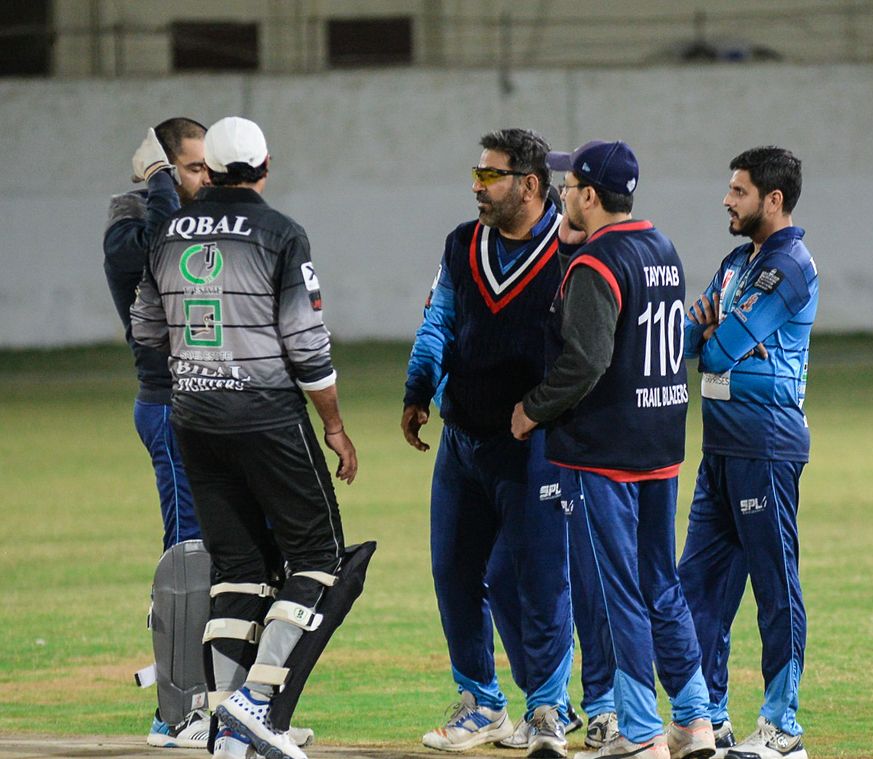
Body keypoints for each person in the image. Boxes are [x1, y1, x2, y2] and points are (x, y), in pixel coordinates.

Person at [131, 116, 363, 759]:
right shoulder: (280, 233)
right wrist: (335, 425)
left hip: (193, 419)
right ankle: (256, 704)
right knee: (320, 558)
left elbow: (146, 328)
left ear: (209, 170)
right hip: (266, 417)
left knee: (237, 570)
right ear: (264, 167)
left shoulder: (167, 232)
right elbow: (306, 344)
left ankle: (225, 722)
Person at [511, 140, 716, 759]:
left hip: (604, 452)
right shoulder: (661, 248)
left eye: (569, 186)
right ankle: (695, 720)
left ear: (591, 196)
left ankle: (641, 732)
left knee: (617, 588)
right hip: (661, 442)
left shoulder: (597, 264)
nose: (561, 194)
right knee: (660, 582)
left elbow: (586, 360)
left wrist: (532, 409)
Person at [402, 128, 574, 758]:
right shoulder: (462, 242)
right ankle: (482, 704)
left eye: (488, 176)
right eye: (476, 174)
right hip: (463, 440)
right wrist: (419, 386)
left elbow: (585, 352)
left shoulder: (569, 249)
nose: (476, 187)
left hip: (535, 444)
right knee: (453, 571)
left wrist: (546, 409)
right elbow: (439, 319)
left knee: (537, 578)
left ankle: (550, 707)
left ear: (529, 185)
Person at [677, 147, 817, 759]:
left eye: (738, 191)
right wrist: (712, 331)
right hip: (721, 448)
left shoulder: (789, 267)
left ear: (773, 199)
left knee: (774, 587)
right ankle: (711, 717)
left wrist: (717, 331)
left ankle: (783, 729)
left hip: (766, 445)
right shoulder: (739, 262)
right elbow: (689, 336)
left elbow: (717, 348)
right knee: (697, 587)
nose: (727, 201)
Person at [104, 118, 213, 748]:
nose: (206, 178)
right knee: (186, 558)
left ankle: (222, 702)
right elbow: (153, 252)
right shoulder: (132, 215)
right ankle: (174, 714)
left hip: (218, 407)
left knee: (230, 557)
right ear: (163, 169)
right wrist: (160, 184)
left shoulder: (208, 216)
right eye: (192, 167)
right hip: (169, 407)